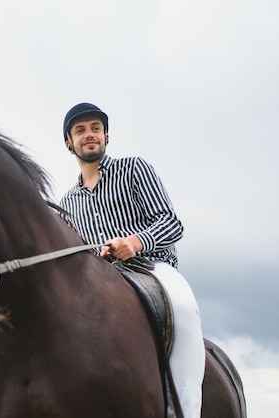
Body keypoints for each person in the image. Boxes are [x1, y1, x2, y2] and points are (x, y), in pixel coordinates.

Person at [59, 103, 206, 417]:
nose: (90, 135)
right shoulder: (67, 203)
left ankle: (186, 409)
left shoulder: (135, 169)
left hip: (153, 269)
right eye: (81, 130)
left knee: (183, 307)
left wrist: (135, 242)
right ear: (69, 143)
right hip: (100, 285)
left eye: (96, 128)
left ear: (106, 136)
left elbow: (172, 223)